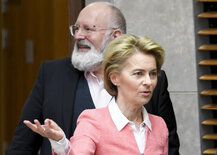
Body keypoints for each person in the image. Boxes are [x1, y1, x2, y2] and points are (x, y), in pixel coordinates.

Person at [8, 2, 179, 155]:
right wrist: (61, 144)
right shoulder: (52, 74)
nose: (78, 36)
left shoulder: (154, 84)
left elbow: (168, 146)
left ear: (116, 35)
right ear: (113, 78)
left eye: (88, 29)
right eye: (76, 28)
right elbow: (23, 144)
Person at [24, 34, 168, 154]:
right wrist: (61, 143)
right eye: (138, 73)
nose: (148, 82)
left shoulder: (160, 126)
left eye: (153, 74)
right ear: (115, 78)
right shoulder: (92, 121)